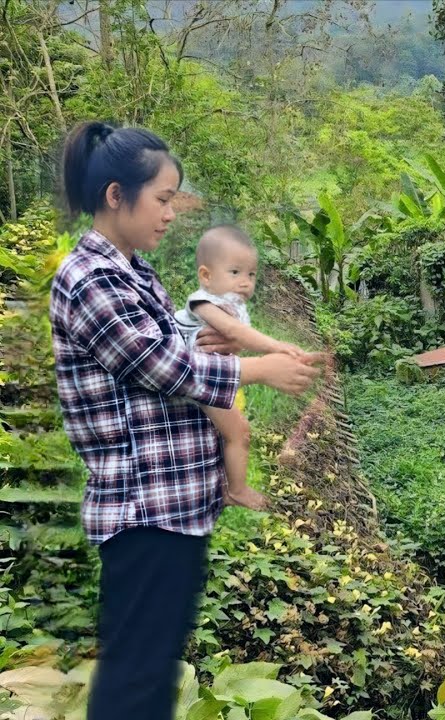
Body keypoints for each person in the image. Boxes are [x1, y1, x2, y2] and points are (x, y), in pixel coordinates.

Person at [50, 120, 323, 720]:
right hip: (144, 512)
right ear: (116, 195)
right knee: (135, 684)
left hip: (174, 509)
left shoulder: (135, 273)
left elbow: (171, 348)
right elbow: (159, 366)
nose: (172, 214)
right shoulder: (90, 277)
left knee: (149, 678)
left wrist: (207, 346)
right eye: (163, 199)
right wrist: (261, 369)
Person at [173, 224, 307, 511]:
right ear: (206, 276)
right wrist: (274, 346)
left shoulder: (229, 303)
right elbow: (233, 333)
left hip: (209, 379)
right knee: (238, 432)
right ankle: (237, 490)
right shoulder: (203, 302)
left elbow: (232, 341)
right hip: (188, 378)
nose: (245, 282)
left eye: (251, 274)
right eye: (235, 272)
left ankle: (222, 483)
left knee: (230, 433)